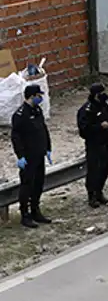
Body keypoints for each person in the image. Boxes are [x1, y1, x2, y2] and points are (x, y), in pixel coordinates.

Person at [10, 84, 53, 229]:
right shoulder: (20, 115)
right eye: (38, 96)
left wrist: (48, 148)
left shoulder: (38, 110)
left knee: (38, 183)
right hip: (28, 156)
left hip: (39, 153)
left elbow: (43, 129)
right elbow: (16, 137)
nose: (40, 98)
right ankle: (25, 214)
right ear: (32, 96)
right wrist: (20, 156)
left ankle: (35, 210)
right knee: (27, 185)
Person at [77, 83, 108, 208]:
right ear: (96, 95)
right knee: (93, 170)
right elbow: (84, 129)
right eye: (102, 93)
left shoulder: (104, 106)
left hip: (104, 142)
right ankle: (91, 196)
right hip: (93, 144)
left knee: (104, 169)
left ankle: (99, 193)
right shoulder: (87, 109)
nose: (104, 95)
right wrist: (99, 127)